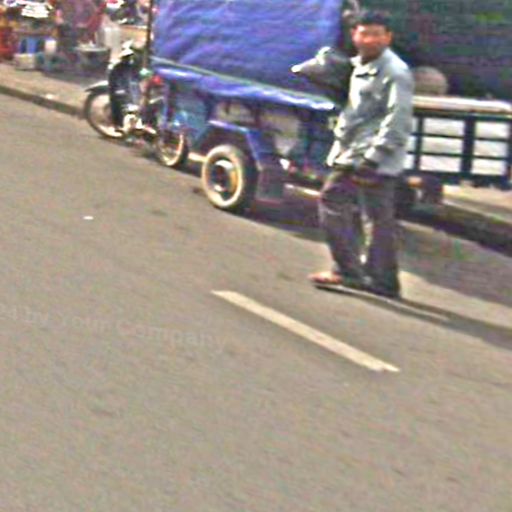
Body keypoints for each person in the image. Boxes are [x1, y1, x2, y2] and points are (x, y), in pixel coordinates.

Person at [309, 9, 414, 300]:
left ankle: (348, 271)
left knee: (332, 200)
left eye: (376, 34)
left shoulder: (395, 72)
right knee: (376, 217)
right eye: (363, 33)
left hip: (368, 156)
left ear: (388, 37)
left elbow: (397, 120)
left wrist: (372, 158)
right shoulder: (359, 65)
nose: (369, 39)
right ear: (354, 35)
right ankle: (384, 281)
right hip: (358, 151)